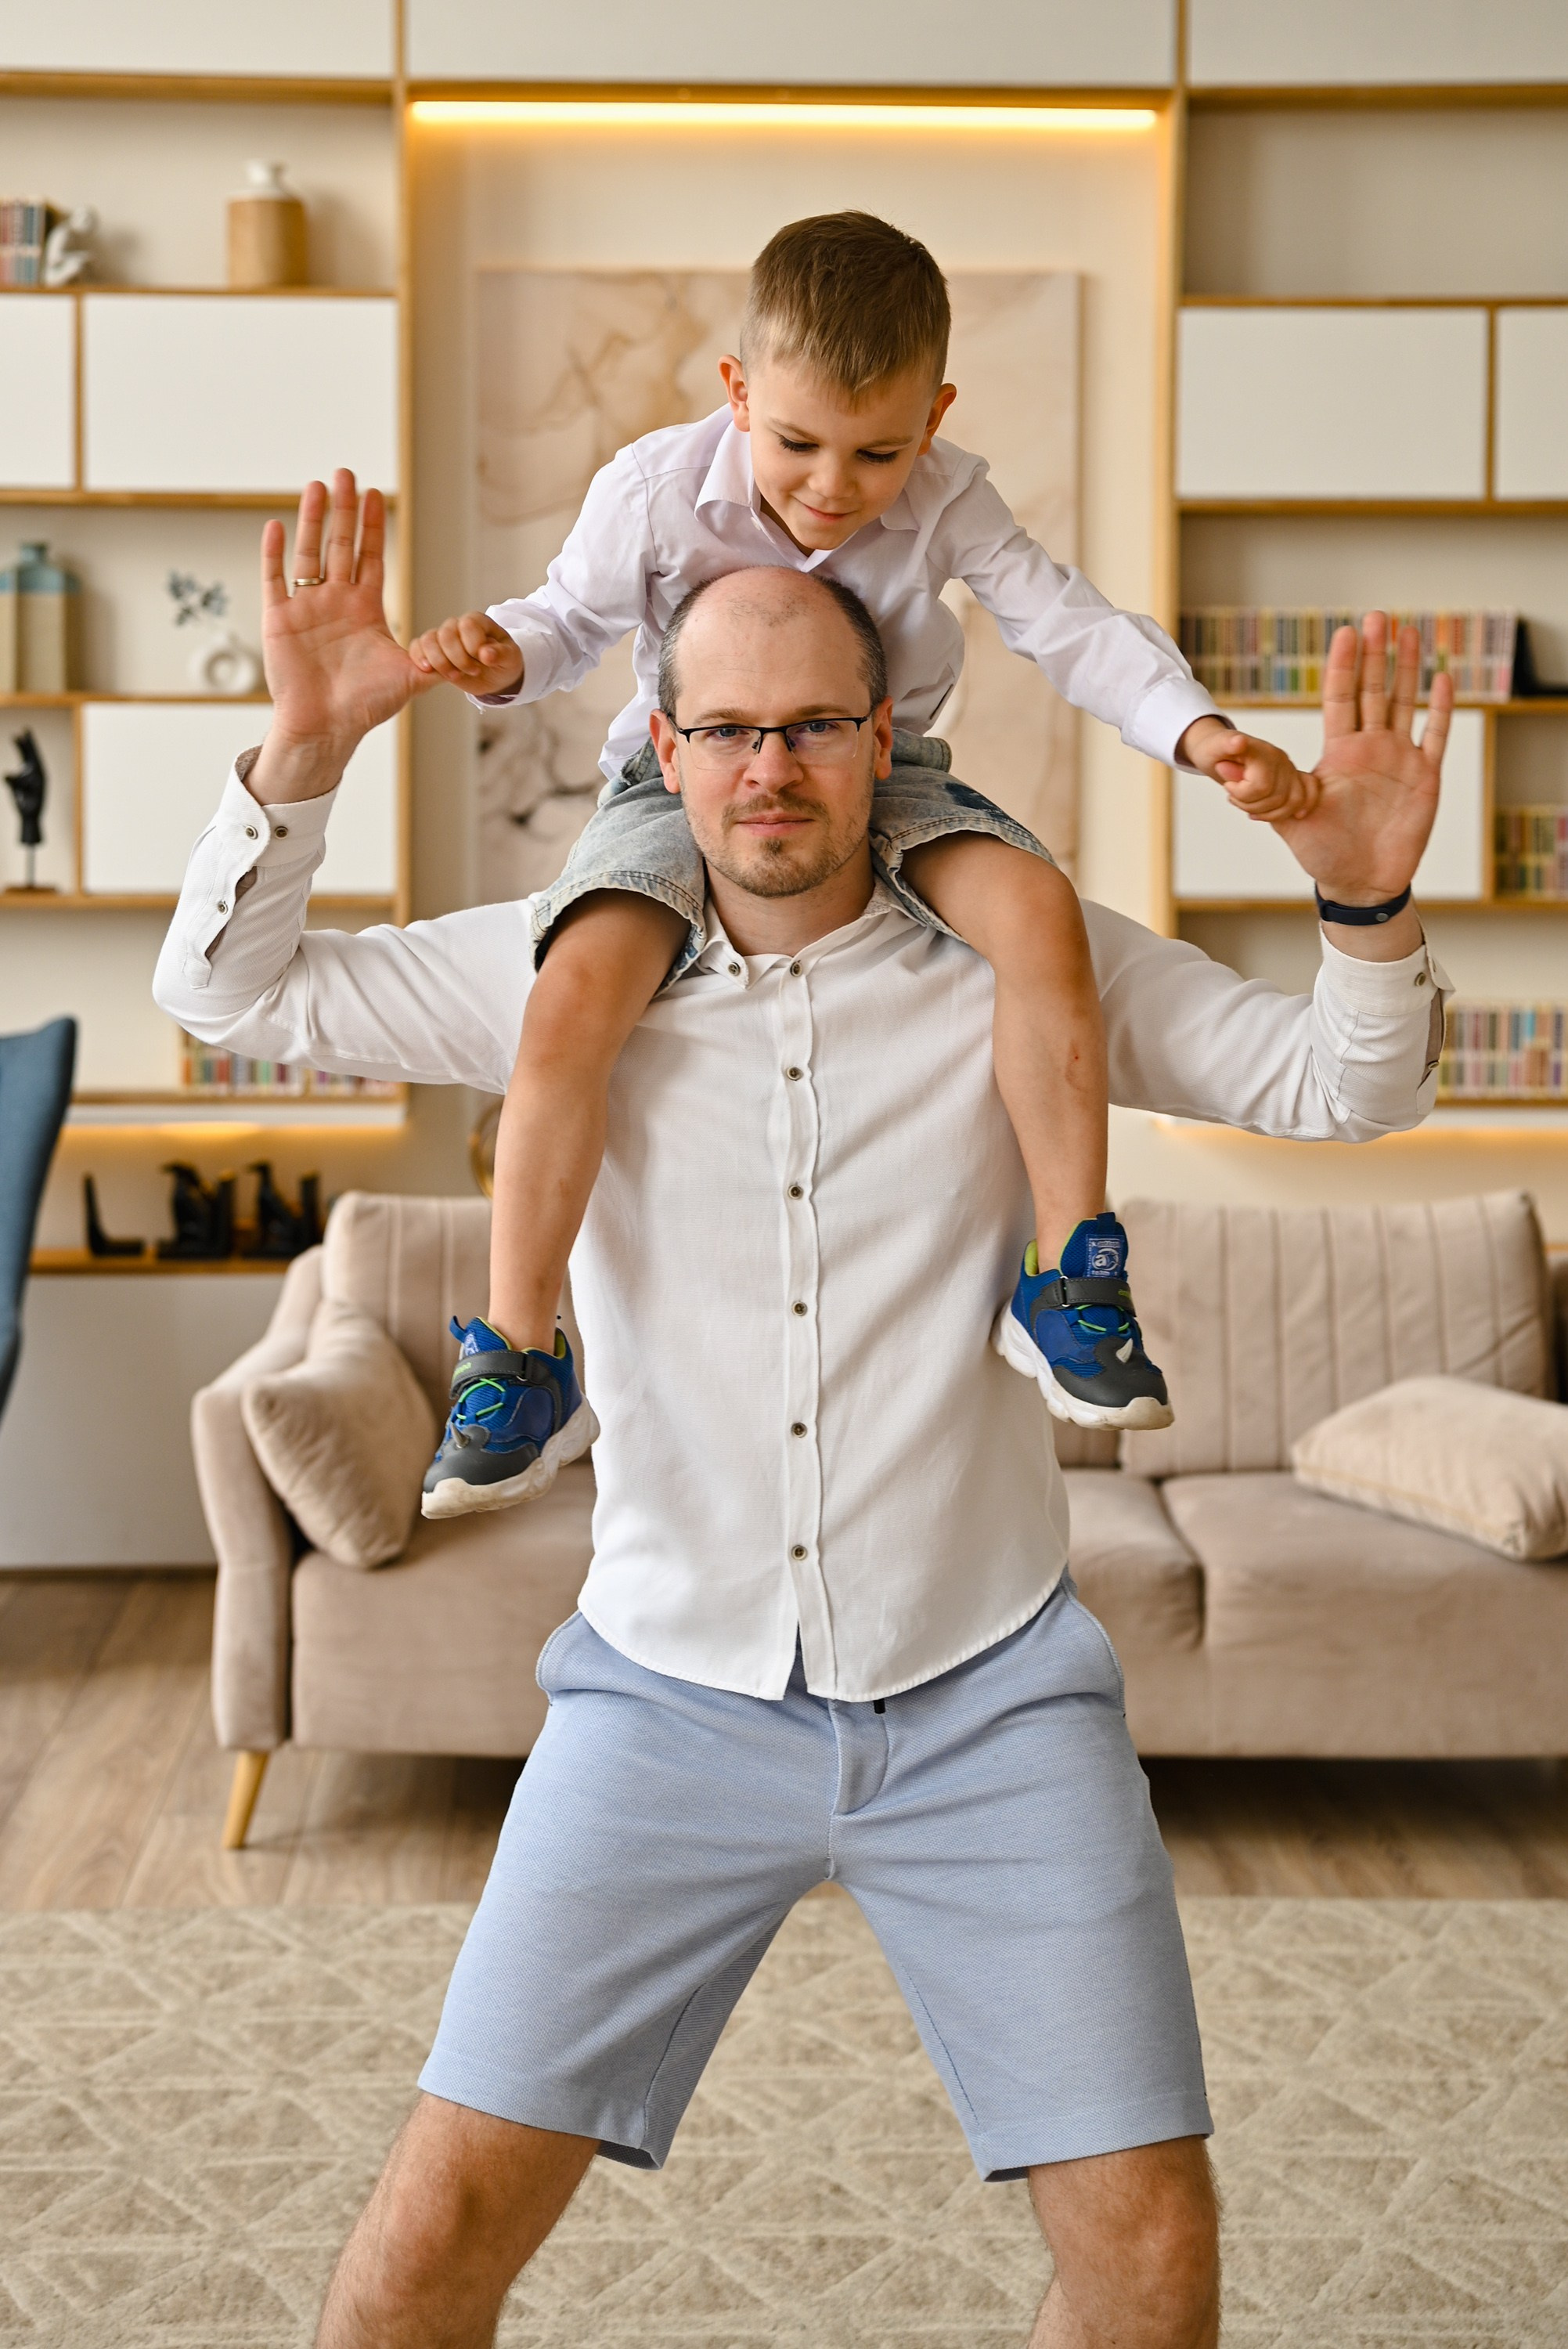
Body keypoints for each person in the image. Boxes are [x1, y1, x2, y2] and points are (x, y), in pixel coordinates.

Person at [153, 470, 1451, 2349]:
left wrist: (1367, 898)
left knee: (1154, 2253)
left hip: (994, 1698)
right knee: (428, 2242)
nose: (773, 767)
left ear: (888, 736)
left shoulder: (1036, 963)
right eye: (732, 730)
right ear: (663, 749)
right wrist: (299, 750)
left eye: (817, 726)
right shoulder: (552, 971)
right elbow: (220, 992)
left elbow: (1349, 1089)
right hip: (660, 1703)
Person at [405, 212, 1314, 1517]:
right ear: (736, 393)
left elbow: (1068, 625)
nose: (833, 488)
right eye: (796, 444)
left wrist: (1200, 731)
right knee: (571, 997)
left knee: (1041, 912)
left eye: (880, 452)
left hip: (888, 779)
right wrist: (504, 655)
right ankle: (522, 1354)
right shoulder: (657, 487)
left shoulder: (949, 494)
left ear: (934, 416)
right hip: (688, 784)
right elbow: (568, 616)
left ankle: (1071, 1272)